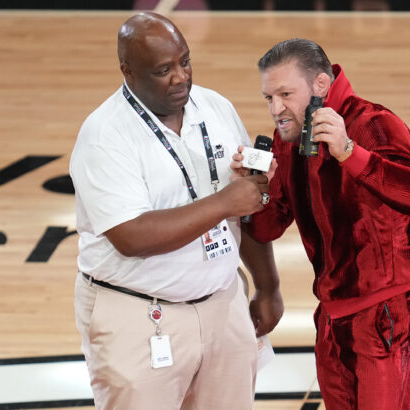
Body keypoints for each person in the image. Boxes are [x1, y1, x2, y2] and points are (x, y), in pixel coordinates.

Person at [69, 12, 283, 410]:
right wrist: (224, 201)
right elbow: (132, 237)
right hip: (139, 314)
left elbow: (248, 205)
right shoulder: (104, 136)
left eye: (185, 61)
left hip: (223, 302)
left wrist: (267, 286)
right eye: (163, 70)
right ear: (128, 72)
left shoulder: (216, 108)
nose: (181, 77)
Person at [231, 39, 410, 409]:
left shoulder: (374, 124)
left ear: (321, 85)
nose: (276, 109)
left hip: (390, 311)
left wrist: (349, 153)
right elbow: (266, 229)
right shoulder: (286, 139)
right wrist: (254, 191)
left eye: (285, 94)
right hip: (332, 314)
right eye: (268, 98)